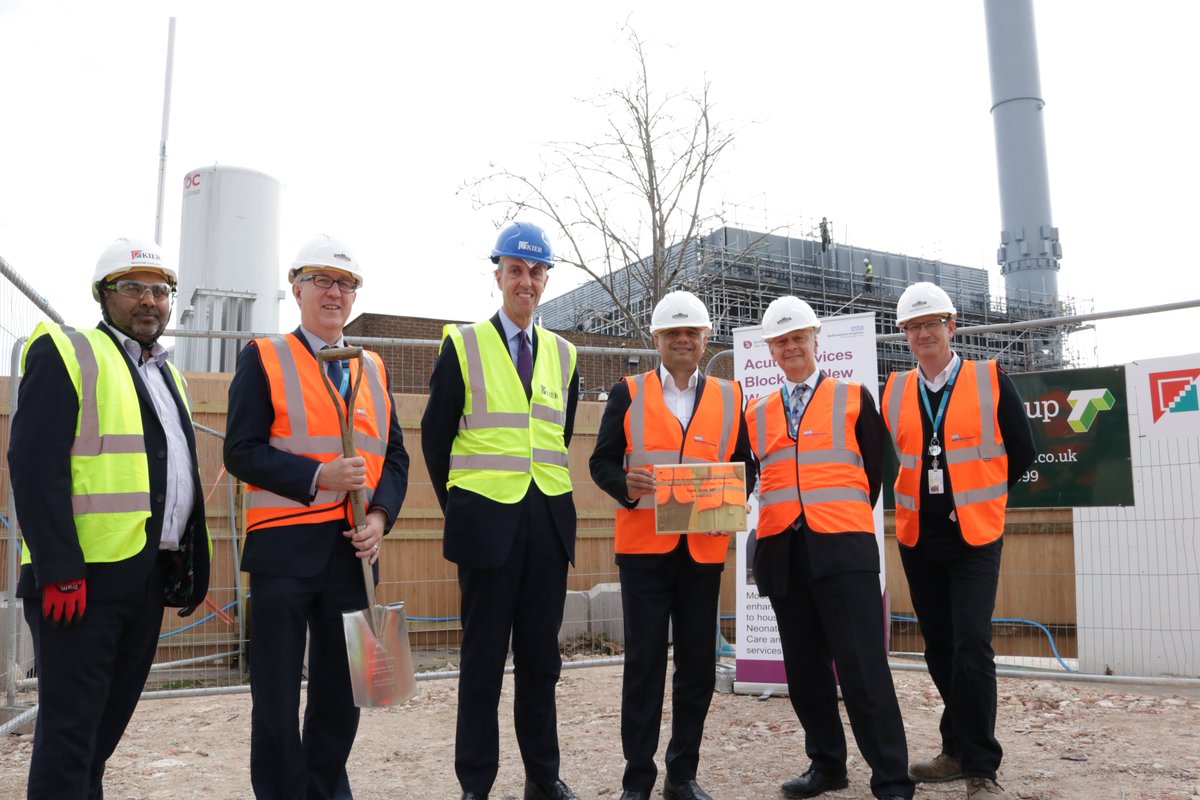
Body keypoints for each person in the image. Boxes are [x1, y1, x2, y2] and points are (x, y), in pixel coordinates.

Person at [9, 237, 211, 798]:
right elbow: (34, 465)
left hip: (145, 578)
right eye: (132, 287)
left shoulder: (169, 377)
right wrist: (58, 570)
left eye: (160, 291)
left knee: (100, 736)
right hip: (81, 584)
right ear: (103, 294)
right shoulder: (69, 352)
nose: (149, 300)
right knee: (70, 736)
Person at [224, 234, 410, 799]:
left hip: (353, 553)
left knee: (340, 694)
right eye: (322, 280)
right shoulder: (265, 357)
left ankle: (327, 790)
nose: (334, 292)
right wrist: (317, 476)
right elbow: (241, 451)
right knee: (277, 695)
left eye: (345, 283)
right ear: (297, 289)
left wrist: (380, 517)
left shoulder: (373, 367)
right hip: (283, 551)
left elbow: (394, 456)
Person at [421, 221, 580, 800]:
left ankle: (543, 776)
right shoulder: (462, 346)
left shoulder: (564, 355)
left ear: (545, 280)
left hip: (548, 525)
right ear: (499, 276)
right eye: (516, 270)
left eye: (536, 272)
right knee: (483, 662)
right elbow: (435, 439)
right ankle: (476, 783)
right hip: (486, 528)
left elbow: (558, 434)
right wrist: (464, 506)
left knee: (541, 662)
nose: (526, 281)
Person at [590, 291, 757, 800]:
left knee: (697, 668)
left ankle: (681, 775)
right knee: (643, 666)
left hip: (703, 552)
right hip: (644, 552)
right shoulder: (628, 392)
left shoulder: (730, 396)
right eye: (673, 333)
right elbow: (601, 462)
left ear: (705, 339)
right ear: (657, 340)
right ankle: (637, 779)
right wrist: (625, 483)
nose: (683, 340)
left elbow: (746, 466)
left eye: (691, 333)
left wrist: (730, 501)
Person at [744, 296, 913, 800]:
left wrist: (839, 519)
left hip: (843, 550)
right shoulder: (756, 411)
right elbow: (746, 477)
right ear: (770, 350)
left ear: (816, 340)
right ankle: (826, 764)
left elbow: (876, 472)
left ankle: (891, 778)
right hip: (783, 552)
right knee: (804, 670)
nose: (790, 347)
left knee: (863, 668)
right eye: (781, 341)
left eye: (798, 337)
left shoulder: (854, 397)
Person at [882, 283, 1035, 800]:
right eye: (913, 327)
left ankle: (981, 767)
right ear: (905, 335)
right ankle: (955, 748)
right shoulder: (895, 390)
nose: (923, 333)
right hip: (919, 537)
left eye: (931, 324)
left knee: (972, 643)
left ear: (951, 326)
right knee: (941, 647)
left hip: (974, 536)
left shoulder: (989, 379)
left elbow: (1022, 450)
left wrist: (977, 499)